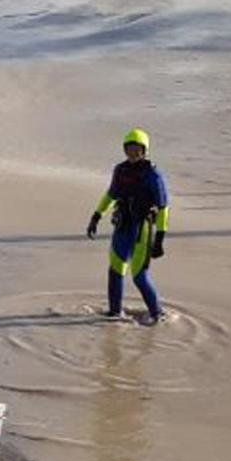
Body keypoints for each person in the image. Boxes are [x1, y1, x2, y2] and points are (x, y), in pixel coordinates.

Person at [86, 128, 171, 323]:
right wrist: (96, 216)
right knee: (115, 270)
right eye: (129, 149)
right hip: (122, 227)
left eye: (137, 150)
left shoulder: (153, 175)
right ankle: (114, 313)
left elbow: (163, 208)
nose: (133, 154)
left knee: (139, 276)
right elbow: (110, 195)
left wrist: (159, 239)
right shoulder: (120, 170)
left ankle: (157, 315)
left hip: (142, 230)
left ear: (145, 151)